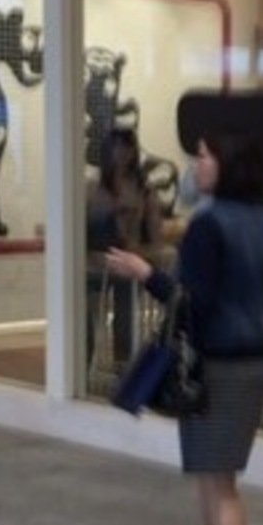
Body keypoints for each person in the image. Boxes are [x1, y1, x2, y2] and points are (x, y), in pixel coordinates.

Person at [105, 133, 263, 525]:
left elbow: (190, 302)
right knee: (213, 472)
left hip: (216, 364)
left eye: (203, 156)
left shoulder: (208, 225)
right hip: (254, 362)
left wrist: (144, 273)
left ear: (226, 165)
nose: (195, 165)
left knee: (220, 484)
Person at [85, 128, 163, 365]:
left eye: (127, 147)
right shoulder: (91, 186)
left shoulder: (143, 187)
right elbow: (79, 228)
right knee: (82, 318)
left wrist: (141, 251)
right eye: (117, 147)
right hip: (93, 264)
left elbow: (155, 234)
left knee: (126, 321)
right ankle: (82, 365)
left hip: (128, 262)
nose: (122, 153)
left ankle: (124, 367)